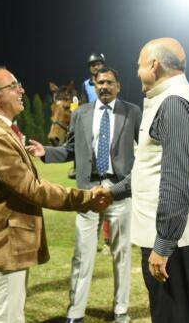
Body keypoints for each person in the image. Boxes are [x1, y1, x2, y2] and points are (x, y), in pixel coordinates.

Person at [0, 66, 109, 323]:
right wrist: (86, 198)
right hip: (6, 242)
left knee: (13, 314)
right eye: (13, 87)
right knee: (9, 317)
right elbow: (32, 188)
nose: (21, 90)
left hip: (10, 241)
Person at [99, 38, 189, 322]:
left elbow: (176, 178)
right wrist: (112, 192)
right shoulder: (173, 97)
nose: (137, 72)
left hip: (173, 238)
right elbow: (149, 168)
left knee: (173, 316)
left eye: (139, 65)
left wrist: (163, 245)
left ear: (154, 65)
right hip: (183, 233)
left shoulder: (173, 102)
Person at [28, 67, 141, 323]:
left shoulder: (132, 112)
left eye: (109, 82)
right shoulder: (80, 114)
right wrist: (44, 151)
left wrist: (125, 185)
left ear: (118, 86)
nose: (104, 86)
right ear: (95, 85)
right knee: (82, 254)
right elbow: (70, 150)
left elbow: (143, 152)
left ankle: (121, 310)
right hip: (87, 193)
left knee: (121, 254)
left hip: (118, 191)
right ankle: (75, 312)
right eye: (100, 82)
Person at [79, 52, 110, 254]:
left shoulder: (108, 80)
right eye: (93, 65)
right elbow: (83, 103)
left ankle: (108, 240)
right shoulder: (85, 85)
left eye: (99, 63)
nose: (96, 67)